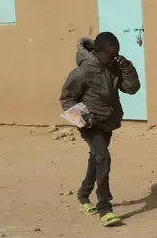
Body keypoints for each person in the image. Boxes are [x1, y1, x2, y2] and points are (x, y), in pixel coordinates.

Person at [59, 32, 141, 227]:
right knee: (103, 157)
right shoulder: (82, 72)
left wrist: (127, 68)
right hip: (90, 123)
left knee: (97, 158)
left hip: (108, 120)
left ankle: (83, 195)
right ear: (97, 51)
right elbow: (67, 98)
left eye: (116, 54)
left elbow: (132, 88)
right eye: (110, 55)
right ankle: (105, 207)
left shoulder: (113, 68)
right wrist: (83, 119)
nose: (113, 58)